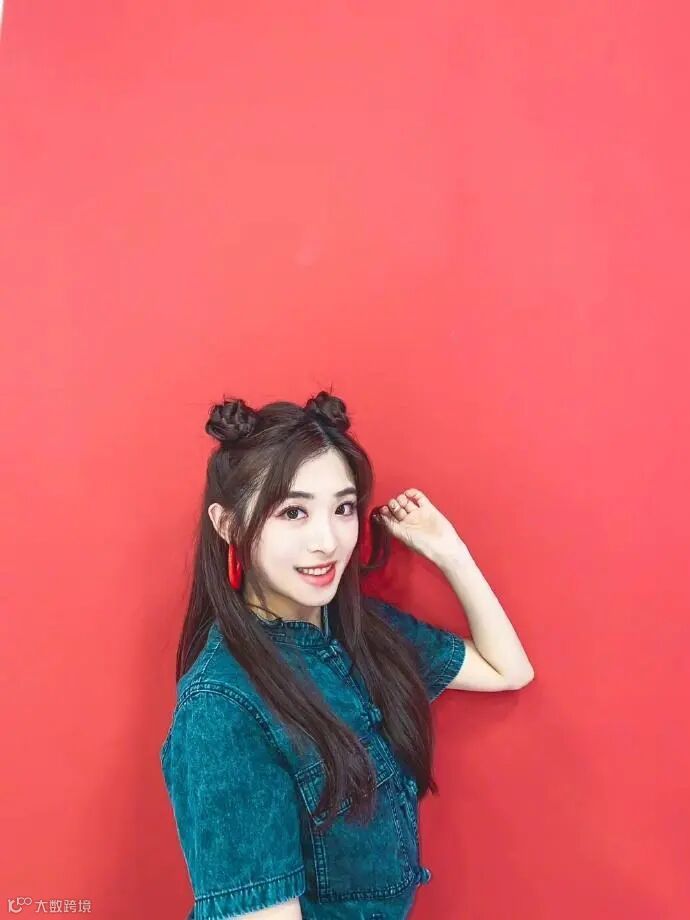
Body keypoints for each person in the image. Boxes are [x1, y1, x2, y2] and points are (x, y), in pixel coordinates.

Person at [159, 389, 534, 919]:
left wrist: (450, 551)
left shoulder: (361, 632)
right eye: (293, 512)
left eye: (343, 508)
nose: (329, 540)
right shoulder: (223, 706)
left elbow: (508, 669)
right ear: (229, 524)